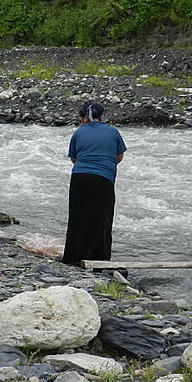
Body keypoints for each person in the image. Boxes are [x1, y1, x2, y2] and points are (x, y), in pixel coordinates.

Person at [62, 101, 126, 265]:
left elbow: (74, 158)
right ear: (102, 116)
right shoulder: (113, 132)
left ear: (84, 118)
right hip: (103, 179)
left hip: (79, 177)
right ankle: (99, 259)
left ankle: (73, 257)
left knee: (78, 217)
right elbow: (119, 157)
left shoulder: (78, 132)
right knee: (101, 219)